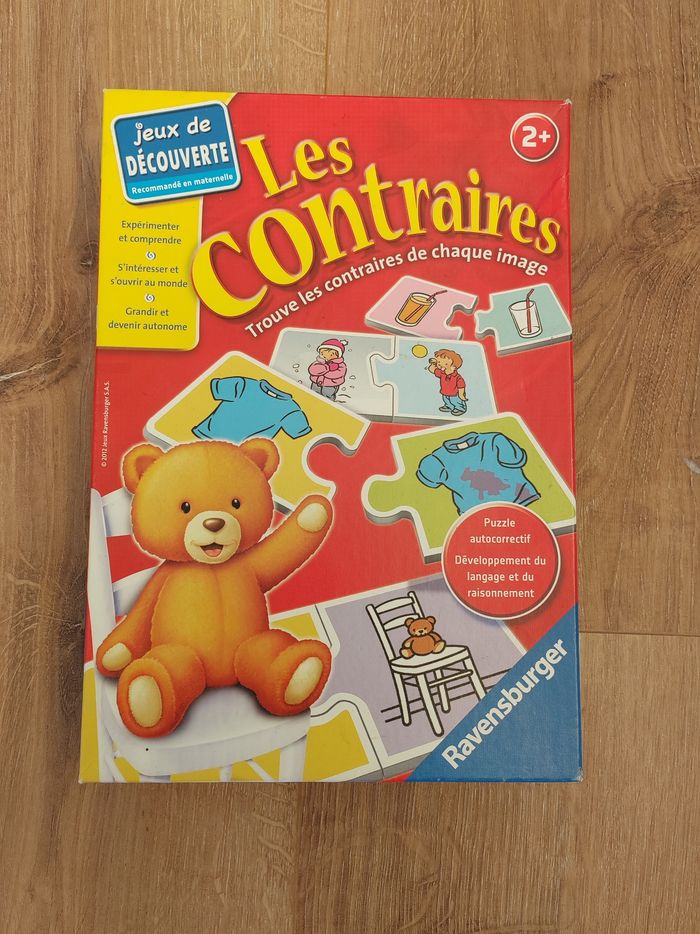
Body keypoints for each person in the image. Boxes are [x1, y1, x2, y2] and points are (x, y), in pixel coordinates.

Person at [427, 349, 467, 414]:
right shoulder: (442, 373)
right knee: (446, 400)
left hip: (455, 394)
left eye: (445, 363)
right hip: (445, 392)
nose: (439, 364)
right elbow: (432, 369)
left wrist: (461, 395)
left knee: (456, 402)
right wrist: (433, 363)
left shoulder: (457, 377)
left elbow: (461, 386)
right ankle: (449, 406)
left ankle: (460, 408)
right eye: (439, 362)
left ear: (454, 366)